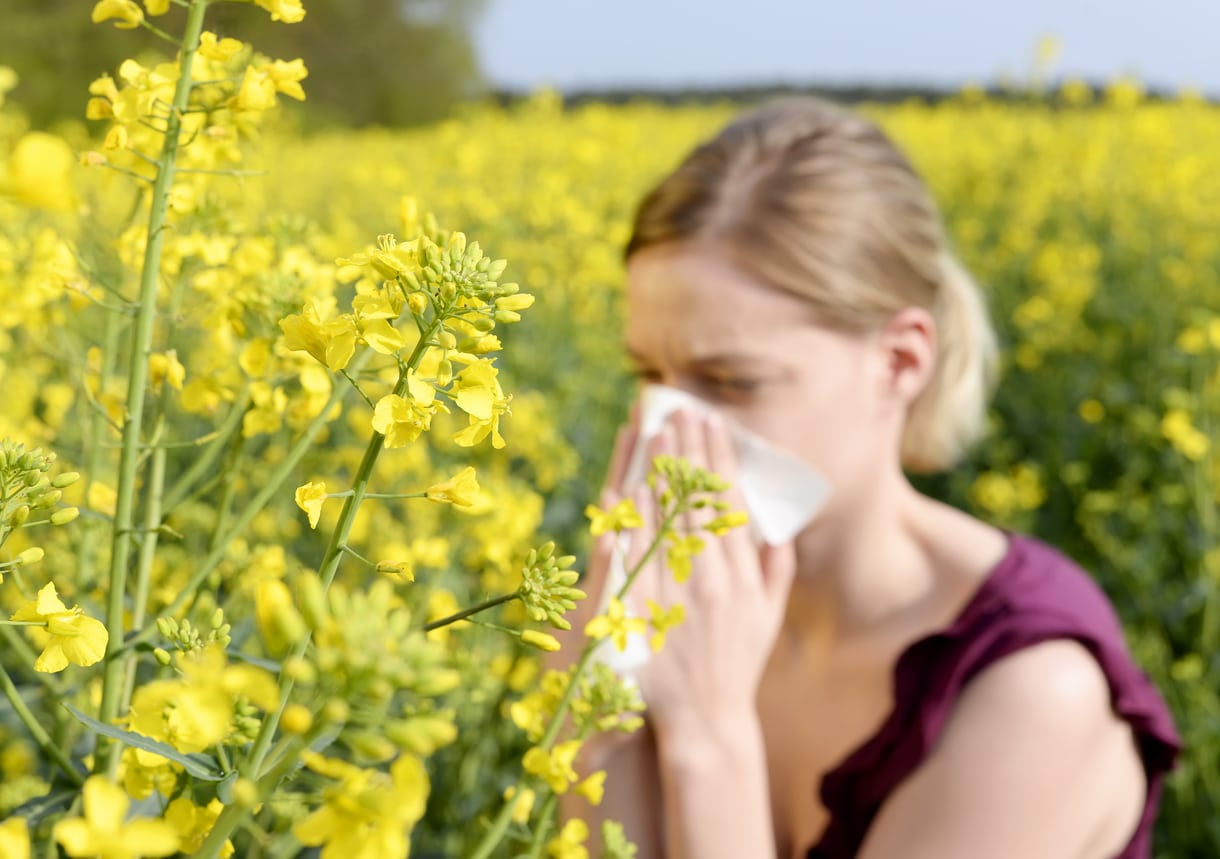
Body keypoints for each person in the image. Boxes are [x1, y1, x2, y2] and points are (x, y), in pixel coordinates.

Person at [550, 96, 1179, 858]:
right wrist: (597, 714)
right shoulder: (689, 611)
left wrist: (707, 737)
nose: (671, 431)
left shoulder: (1027, 688)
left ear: (900, 362)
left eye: (732, 380)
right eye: (648, 372)